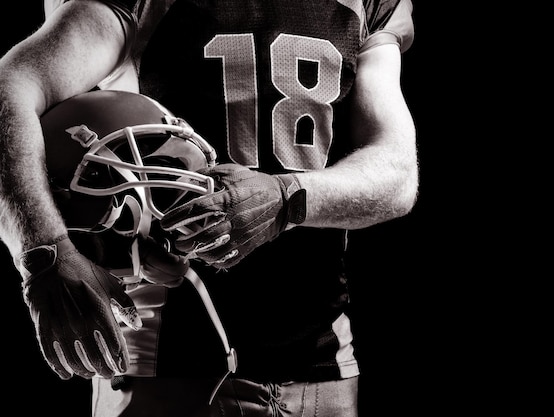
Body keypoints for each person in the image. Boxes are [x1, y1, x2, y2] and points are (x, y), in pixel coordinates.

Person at [0, 0, 418, 416]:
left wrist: (287, 196)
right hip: (165, 367)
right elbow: (11, 86)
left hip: (323, 366)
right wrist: (43, 251)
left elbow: (397, 173)